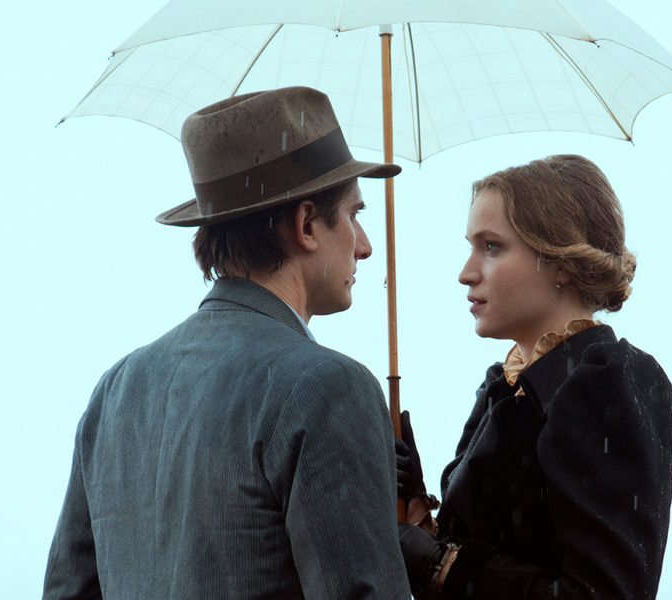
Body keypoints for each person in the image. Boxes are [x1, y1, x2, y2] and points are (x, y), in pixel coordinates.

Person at [42, 86, 411, 600]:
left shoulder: (117, 389)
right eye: (354, 215)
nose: (365, 246)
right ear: (306, 224)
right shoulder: (328, 386)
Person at [394, 155, 672, 599]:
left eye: (491, 247)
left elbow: (605, 593)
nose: (466, 273)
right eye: (472, 246)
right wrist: (417, 514)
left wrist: (443, 565)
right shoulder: (503, 388)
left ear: (561, 261)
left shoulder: (610, 380)